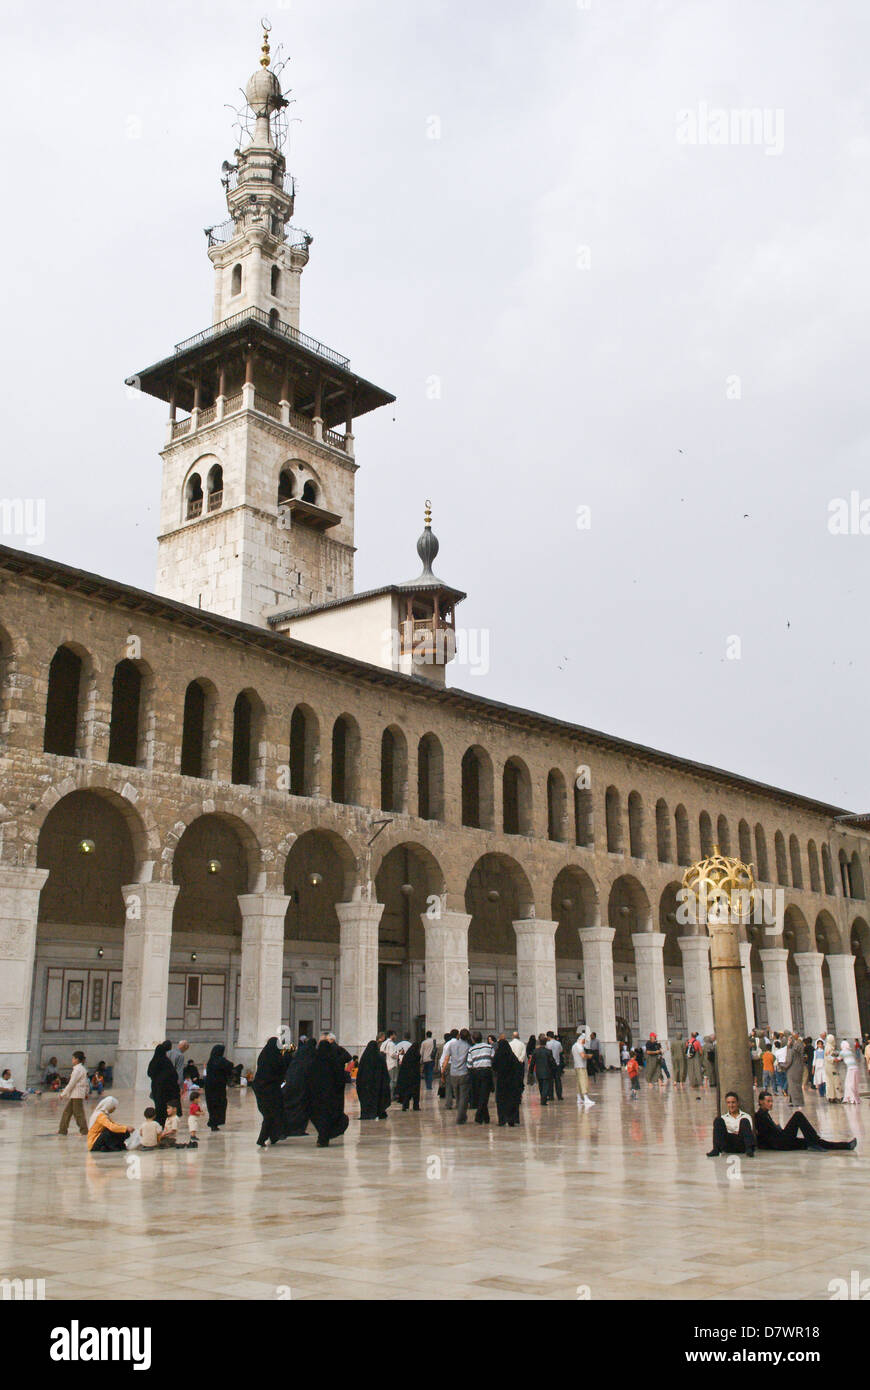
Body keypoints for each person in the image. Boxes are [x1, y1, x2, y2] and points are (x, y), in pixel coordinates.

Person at [755, 1090, 857, 1151]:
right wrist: (777, 1128)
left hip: (782, 1140)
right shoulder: (760, 1116)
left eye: (771, 1101)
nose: (771, 1104)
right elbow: (766, 1137)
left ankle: (846, 1145)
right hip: (780, 1143)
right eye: (768, 1101)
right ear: (761, 1101)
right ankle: (814, 1139)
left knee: (813, 1142)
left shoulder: (765, 1114)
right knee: (798, 1115)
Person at [308, 1035, 350, 1147]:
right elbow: (340, 1079)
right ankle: (324, 1137)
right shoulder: (334, 1062)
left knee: (320, 1116)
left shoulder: (313, 1062)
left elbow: (309, 1079)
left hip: (316, 1097)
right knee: (328, 1116)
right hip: (331, 1097)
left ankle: (322, 1138)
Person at [252, 1036, 286, 1147]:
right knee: (271, 1114)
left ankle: (273, 1136)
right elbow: (282, 1072)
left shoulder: (263, 1055)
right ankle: (263, 1138)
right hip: (271, 1089)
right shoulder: (277, 1057)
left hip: (259, 1087)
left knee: (268, 1113)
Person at [282, 1037, 316, 1135]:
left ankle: (288, 1128)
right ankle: (298, 1129)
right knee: (301, 1108)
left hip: (290, 1083)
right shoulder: (311, 1055)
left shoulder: (299, 1055)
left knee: (291, 1107)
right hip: (302, 1086)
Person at [707, 1091, 755, 1157]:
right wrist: (734, 1132)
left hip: (741, 1144)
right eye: (728, 1103)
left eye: (733, 1102)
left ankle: (749, 1149)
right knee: (718, 1121)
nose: (731, 1105)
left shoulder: (746, 1116)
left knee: (744, 1121)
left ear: (737, 1103)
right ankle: (716, 1150)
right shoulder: (723, 1118)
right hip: (728, 1144)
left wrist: (732, 1130)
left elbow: (748, 1132)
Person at [356, 1039, 392, 1120]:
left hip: (365, 1085)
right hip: (378, 1085)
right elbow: (385, 1074)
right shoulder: (380, 1058)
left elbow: (360, 1073)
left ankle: (366, 1113)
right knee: (377, 1098)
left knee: (367, 1098)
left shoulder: (364, 1058)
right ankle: (377, 1112)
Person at [492, 1035, 524, 1126]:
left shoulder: (497, 1056)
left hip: (501, 1082)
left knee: (501, 1101)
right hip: (512, 1083)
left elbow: (494, 1066)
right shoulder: (512, 1056)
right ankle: (511, 1119)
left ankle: (502, 1120)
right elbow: (518, 1068)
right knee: (512, 1101)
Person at [441, 1029, 472, 1123]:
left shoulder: (451, 1044)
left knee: (457, 1095)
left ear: (459, 1035)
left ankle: (461, 1113)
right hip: (463, 1073)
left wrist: (442, 1070)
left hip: (453, 1073)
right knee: (463, 1096)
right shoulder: (468, 1046)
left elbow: (446, 1058)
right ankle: (461, 1116)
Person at [147, 1041, 181, 1126]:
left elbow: (149, 1073)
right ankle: (165, 1124)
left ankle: (159, 1122)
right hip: (166, 1090)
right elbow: (174, 1075)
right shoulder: (167, 1062)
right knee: (165, 1107)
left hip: (156, 1088)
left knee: (158, 1105)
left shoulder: (153, 1061)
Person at [58, 1051, 89, 1136]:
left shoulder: (78, 1069)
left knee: (78, 1113)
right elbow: (86, 1083)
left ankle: (84, 1131)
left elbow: (72, 1083)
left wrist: (63, 1094)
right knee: (67, 1112)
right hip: (76, 1095)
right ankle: (62, 1130)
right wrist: (86, 1092)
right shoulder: (82, 1069)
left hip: (77, 1094)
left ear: (77, 1059)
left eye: (73, 1058)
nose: (72, 1060)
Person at [203, 1043, 234, 1131]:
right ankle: (216, 1123)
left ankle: (212, 1122)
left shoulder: (210, 1061)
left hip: (209, 1086)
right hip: (219, 1087)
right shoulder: (221, 1061)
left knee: (212, 1104)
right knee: (220, 1104)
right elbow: (230, 1065)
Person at [468, 1032, 494, 1123]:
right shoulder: (489, 1047)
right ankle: (486, 1117)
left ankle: (478, 1116)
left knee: (480, 1095)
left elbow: (469, 1064)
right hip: (487, 1072)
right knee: (484, 1095)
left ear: (473, 1039)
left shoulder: (471, 1049)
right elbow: (493, 1058)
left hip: (476, 1073)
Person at [396, 1040, 422, 1112]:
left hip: (407, 1076)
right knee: (416, 1092)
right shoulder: (417, 1055)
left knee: (407, 1092)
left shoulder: (407, 1055)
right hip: (415, 1076)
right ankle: (415, 1106)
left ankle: (405, 1106)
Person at [572, 1031, 594, 1108]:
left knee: (579, 1082)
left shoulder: (574, 1046)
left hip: (577, 1066)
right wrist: (589, 1056)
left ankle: (579, 1098)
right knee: (583, 1081)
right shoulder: (579, 1046)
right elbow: (583, 1055)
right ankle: (585, 1098)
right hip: (581, 1066)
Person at [533, 1033, 556, 1105]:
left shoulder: (536, 1051)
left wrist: (530, 1071)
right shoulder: (548, 1051)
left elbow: (532, 1063)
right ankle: (543, 1100)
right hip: (547, 1071)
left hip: (539, 1071)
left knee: (541, 1086)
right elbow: (552, 1062)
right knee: (546, 1086)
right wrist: (554, 1069)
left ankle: (543, 1097)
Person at [784, 1032, 804, 1106]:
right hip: (799, 1068)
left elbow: (788, 1061)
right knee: (796, 1086)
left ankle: (796, 1102)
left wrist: (783, 1066)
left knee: (793, 1086)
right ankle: (795, 1101)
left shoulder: (792, 1049)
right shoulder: (800, 1045)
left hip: (792, 1070)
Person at [380, 1030, 400, 1099]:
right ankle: (391, 1096)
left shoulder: (384, 1043)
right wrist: (398, 1055)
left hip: (386, 1064)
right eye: (395, 1035)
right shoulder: (391, 1044)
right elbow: (392, 1054)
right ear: (392, 1035)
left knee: (388, 1080)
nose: (396, 1036)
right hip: (392, 1064)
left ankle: (387, 1095)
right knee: (393, 1080)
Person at [824, 1035, 843, 1102]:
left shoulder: (827, 1046)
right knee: (836, 1081)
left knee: (829, 1082)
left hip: (827, 1067)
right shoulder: (830, 1048)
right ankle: (838, 1096)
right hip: (832, 1067)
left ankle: (831, 1096)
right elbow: (830, 1057)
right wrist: (838, 1059)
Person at [841, 1040, 861, 1105]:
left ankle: (851, 1098)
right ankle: (855, 1098)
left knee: (849, 1083)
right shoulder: (850, 1052)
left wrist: (829, 1057)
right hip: (856, 1068)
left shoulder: (842, 1052)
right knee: (854, 1084)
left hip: (850, 1069)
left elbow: (838, 1059)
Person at [546, 1031, 564, 1100]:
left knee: (550, 1081)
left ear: (548, 1036)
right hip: (557, 1063)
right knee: (558, 1080)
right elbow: (561, 1051)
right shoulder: (558, 1043)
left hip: (550, 1064)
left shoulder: (547, 1044)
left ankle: (551, 1096)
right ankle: (559, 1095)